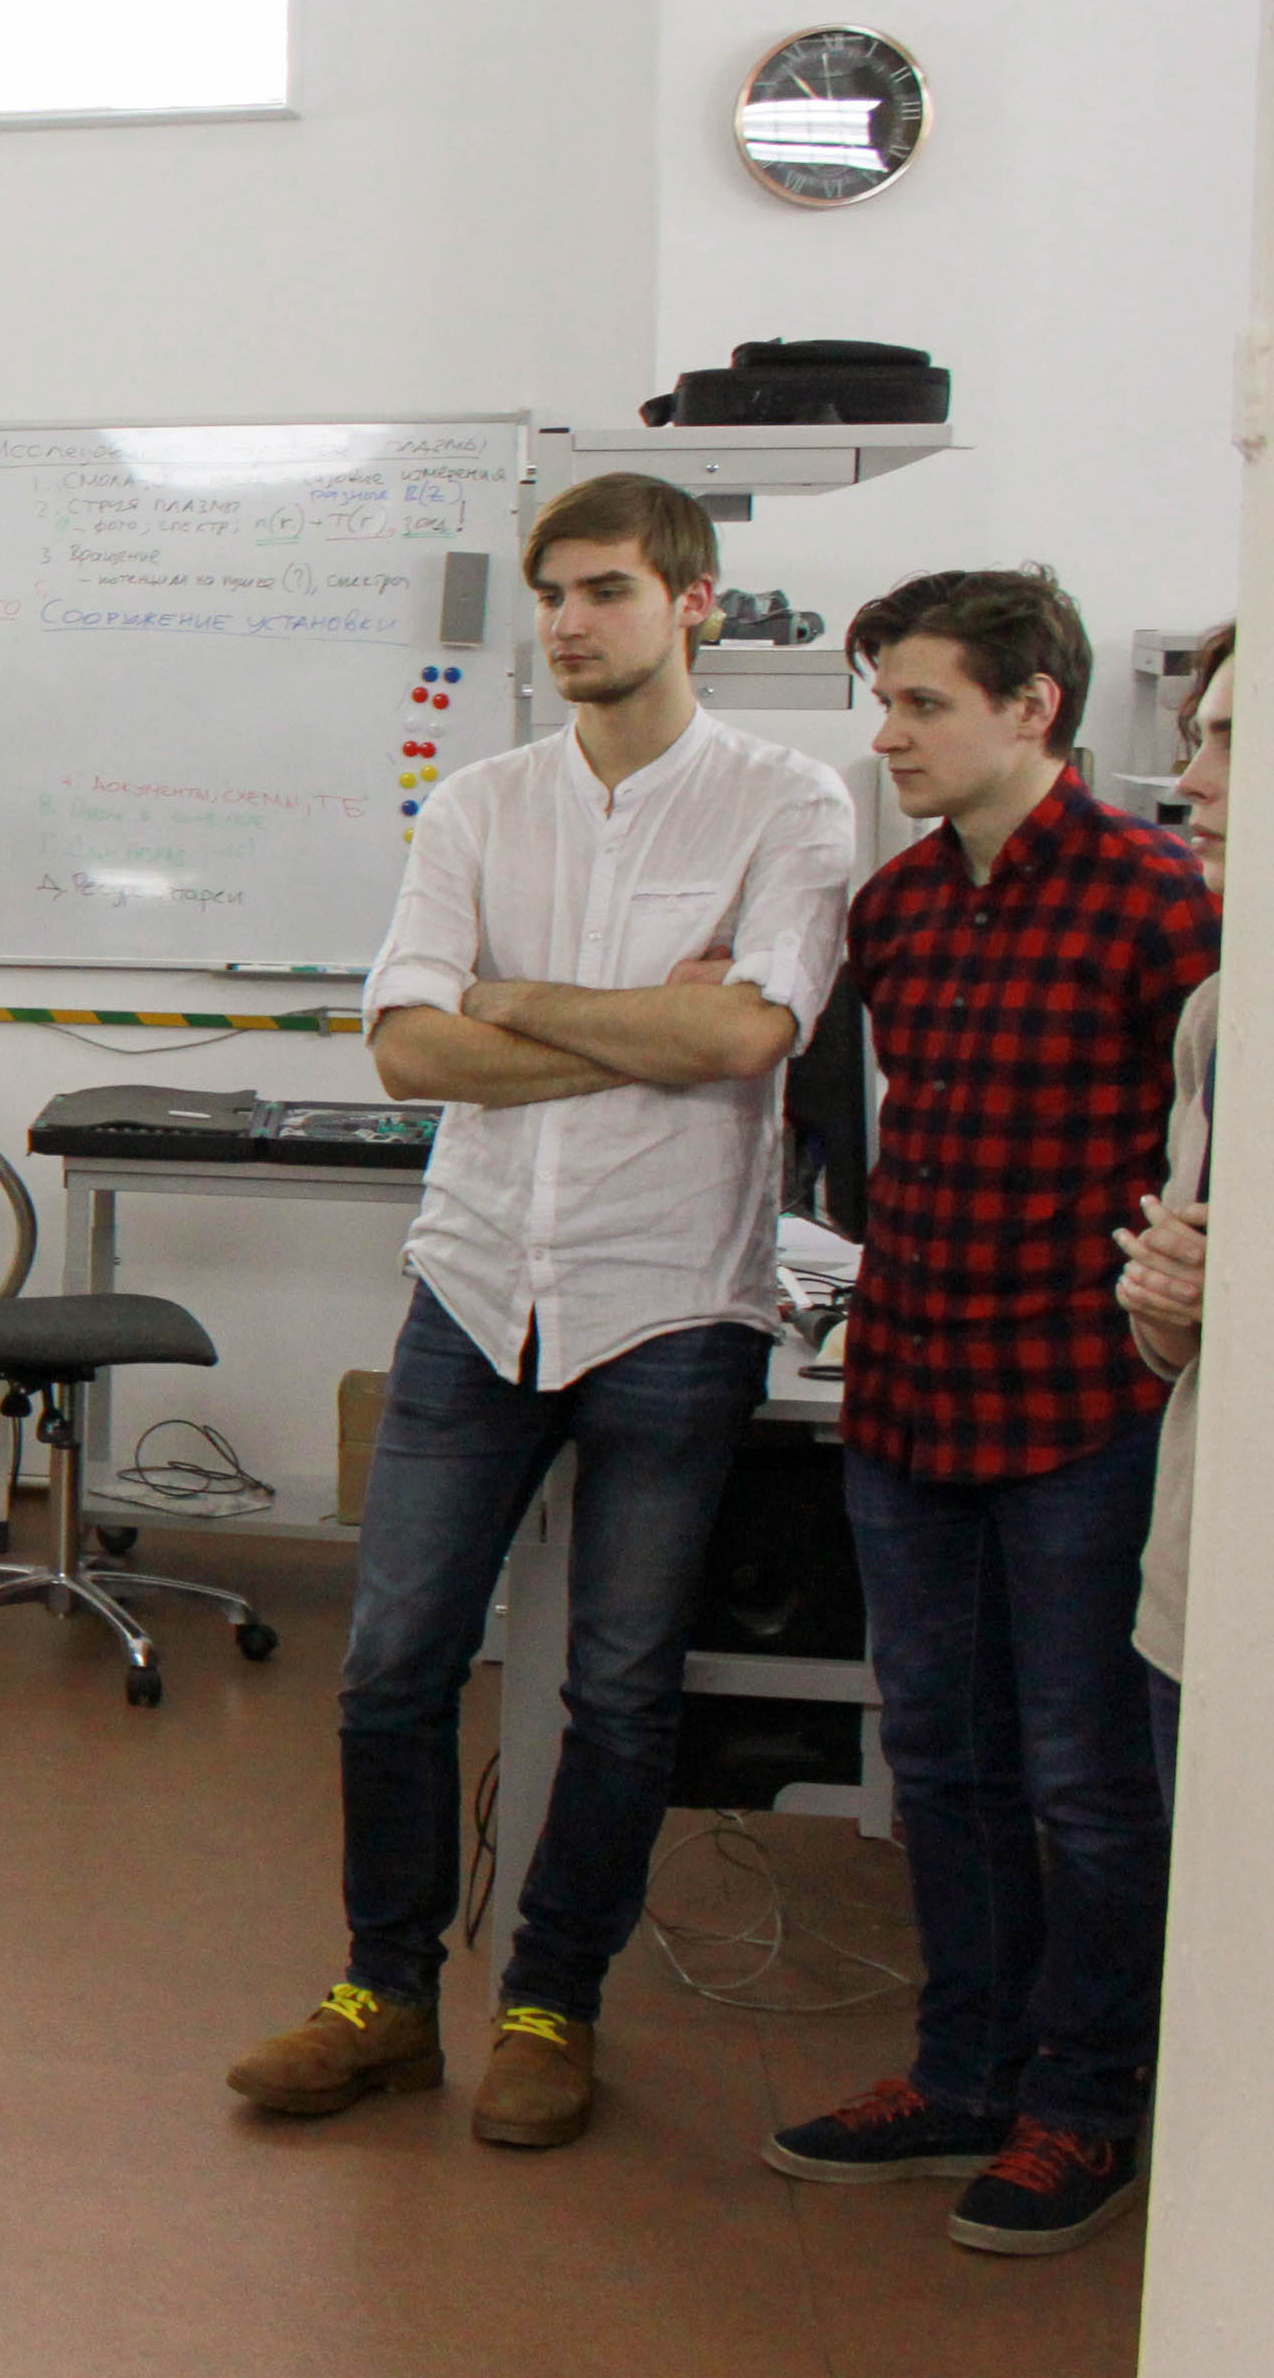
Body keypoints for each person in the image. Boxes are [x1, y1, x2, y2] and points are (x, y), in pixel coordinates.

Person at [227, 474, 849, 2148]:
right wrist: (635, 1026)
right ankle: (381, 1997)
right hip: (476, 1277)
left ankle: (550, 2006)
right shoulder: (479, 807)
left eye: (604, 589)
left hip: (675, 1300)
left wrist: (513, 1001)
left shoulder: (786, 803)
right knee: (391, 1666)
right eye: (550, 592)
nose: (568, 622)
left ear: (693, 601)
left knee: (623, 1688)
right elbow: (408, 1050)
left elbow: (748, 1037)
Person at [768, 570, 1216, 2258]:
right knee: (941, 1760)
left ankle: (1083, 2101)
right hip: (909, 1390)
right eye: (882, 704)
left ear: (1033, 708)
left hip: (1080, 1404)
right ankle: (963, 2071)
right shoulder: (894, 907)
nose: (889, 738)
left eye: (922, 705)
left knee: (1084, 1780)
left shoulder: (1155, 901)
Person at [1117, 624, 1230, 1810]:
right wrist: (1165, 1297)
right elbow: (1176, 1339)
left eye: (1232, 742)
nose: (1192, 779)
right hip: (1197, 1591)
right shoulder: (1218, 1018)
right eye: (1198, 737)